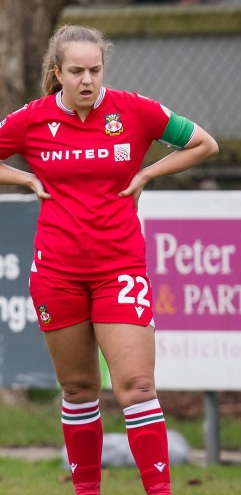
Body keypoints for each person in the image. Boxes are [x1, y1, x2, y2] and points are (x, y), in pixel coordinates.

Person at [0, 25, 218, 495]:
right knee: (79, 391)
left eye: (95, 70)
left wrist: (145, 174)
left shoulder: (134, 110)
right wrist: (24, 181)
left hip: (119, 268)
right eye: (76, 71)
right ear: (57, 73)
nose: (87, 80)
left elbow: (204, 143)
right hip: (56, 274)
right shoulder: (32, 119)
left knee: (137, 387)